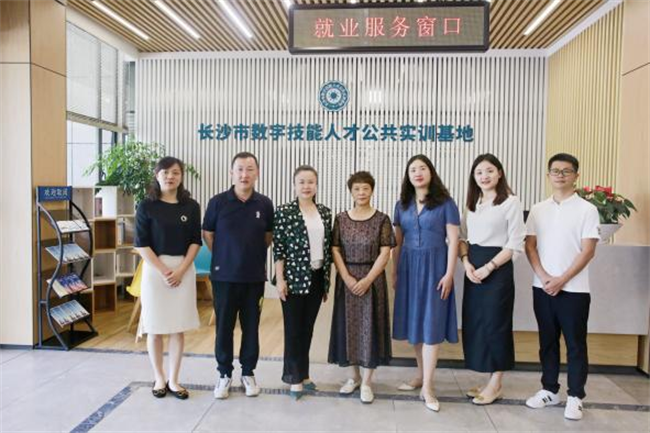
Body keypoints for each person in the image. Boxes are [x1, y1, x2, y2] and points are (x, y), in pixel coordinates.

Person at [524, 153, 600, 421]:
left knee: (575, 343)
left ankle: (576, 396)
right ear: (548, 176)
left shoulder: (587, 209)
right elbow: (530, 246)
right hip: (542, 286)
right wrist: (545, 276)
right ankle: (549, 390)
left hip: (575, 290)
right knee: (547, 341)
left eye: (566, 171)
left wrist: (562, 279)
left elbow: (588, 250)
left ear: (576, 176)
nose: (560, 175)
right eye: (555, 171)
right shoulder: (538, 209)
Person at [202, 152, 274, 400]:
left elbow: (267, 237)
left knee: (251, 327)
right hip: (224, 278)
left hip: (254, 278)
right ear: (231, 173)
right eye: (240, 169)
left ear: (257, 173)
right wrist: (225, 256)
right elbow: (208, 234)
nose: (245, 174)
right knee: (224, 327)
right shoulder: (218, 202)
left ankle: (248, 372)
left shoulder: (264, 204)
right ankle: (224, 373)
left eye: (250, 169)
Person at [392, 154, 460, 412]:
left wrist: (449, 273)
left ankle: (428, 387)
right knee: (416, 324)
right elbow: (398, 242)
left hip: (435, 269)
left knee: (431, 324)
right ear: (408, 176)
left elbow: (453, 241)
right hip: (409, 268)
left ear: (431, 172)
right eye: (413, 169)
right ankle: (421, 375)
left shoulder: (446, 203)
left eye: (422, 168)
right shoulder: (402, 205)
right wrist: (395, 272)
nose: (418, 173)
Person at [459, 154, 526, 405]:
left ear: (499, 173)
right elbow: (462, 237)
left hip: (497, 267)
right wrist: (466, 263)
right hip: (473, 266)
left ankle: (496, 383)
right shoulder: (472, 203)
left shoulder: (511, 202)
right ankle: (489, 380)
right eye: (479, 172)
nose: (484, 176)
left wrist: (489, 267)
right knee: (477, 323)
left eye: (489, 171)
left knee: (497, 324)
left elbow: (515, 242)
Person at [134, 156, 202, 400]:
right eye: (165, 172)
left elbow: (195, 241)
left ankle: (174, 379)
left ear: (181, 176)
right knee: (154, 327)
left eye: (175, 172)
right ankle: (159, 378)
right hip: (155, 271)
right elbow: (141, 244)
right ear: (157, 175)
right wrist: (164, 270)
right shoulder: (146, 206)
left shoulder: (191, 206)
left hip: (183, 269)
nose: (170, 176)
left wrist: (181, 270)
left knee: (177, 328)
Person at [328, 171, 395, 404]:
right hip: (346, 280)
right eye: (357, 188)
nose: (361, 192)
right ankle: (353, 377)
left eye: (365, 188)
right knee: (348, 326)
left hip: (372, 280)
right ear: (351, 192)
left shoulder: (382, 219)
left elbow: (385, 252)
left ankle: (367, 382)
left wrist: (367, 280)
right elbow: (335, 249)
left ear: (372, 190)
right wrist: (346, 277)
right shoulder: (341, 219)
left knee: (370, 327)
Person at [273, 165, 332, 400]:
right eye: (302, 182)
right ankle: (294, 378)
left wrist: (325, 282)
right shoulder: (285, 211)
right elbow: (279, 248)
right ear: (294, 185)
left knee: (307, 329)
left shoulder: (325, 212)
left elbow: (327, 248)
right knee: (293, 330)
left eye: (311, 182)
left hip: (317, 277)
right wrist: (280, 279)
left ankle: (304, 374)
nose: (306, 186)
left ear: (316, 185)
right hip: (293, 278)